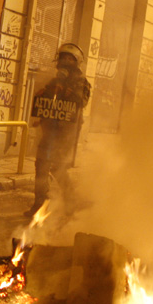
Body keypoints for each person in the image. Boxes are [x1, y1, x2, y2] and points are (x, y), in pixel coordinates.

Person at [28, 42, 91, 219]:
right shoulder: (53, 80)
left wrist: (68, 90)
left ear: (76, 61)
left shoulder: (81, 82)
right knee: (41, 166)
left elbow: (82, 102)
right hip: (49, 132)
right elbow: (45, 100)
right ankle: (38, 205)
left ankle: (71, 201)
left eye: (70, 58)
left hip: (66, 134)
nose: (66, 61)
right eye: (63, 57)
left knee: (58, 168)